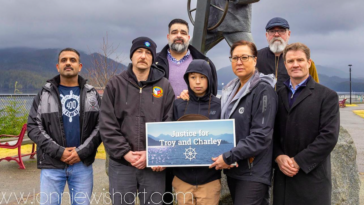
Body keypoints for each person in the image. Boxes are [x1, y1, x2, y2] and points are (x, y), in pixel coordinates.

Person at [99, 37, 175, 205]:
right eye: (139, 51)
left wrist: (152, 155)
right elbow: (107, 124)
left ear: (153, 58)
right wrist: (126, 153)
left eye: (148, 53)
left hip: (153, 166)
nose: (143, 56)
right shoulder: (115, 85)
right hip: (122, 165)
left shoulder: (164, 86)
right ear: (131, 56)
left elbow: (169, 123)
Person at [27, 48, 101, 205]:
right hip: (52, 165)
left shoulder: (91, 94)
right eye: (64, 60)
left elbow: (101, 127)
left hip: (82, 165)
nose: (68, 63)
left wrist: (80, 152)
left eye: (72, 60)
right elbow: (33, 127)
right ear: (57, 66)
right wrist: (59, 152)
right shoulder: (44, 94)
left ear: (80, 66)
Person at [210, 40, 277, 205]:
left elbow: (261, 136)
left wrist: (228, 156)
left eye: (244, 57)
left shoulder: (263, 90)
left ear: (255, 60)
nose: (239, 62)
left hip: (253, 171)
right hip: (235, 169)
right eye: (234, 58)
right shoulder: (230, 90)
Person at [273, 43, 339, 205]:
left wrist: (298, 161)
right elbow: (270, 132)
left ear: (309, 63)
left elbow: (328, 137)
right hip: (283, 181)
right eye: (290, 61)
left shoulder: (327, 96)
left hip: (312, 178)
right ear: (285, 65)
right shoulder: (277, 95)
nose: (295, 64)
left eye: (300, 60)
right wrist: (278, 156)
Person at [172, 59, 222, 205]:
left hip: (209, 180)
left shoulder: (219, 105)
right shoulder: (179, 104)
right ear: (187, 79)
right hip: (182, 179)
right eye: (193, 77)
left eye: (202, 77)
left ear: (209, 79)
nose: (197, 82)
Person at [155, 18, 218, 97]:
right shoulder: (154, 62)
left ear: (188, 37)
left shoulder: (205, 63)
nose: (179, 35)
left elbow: (211, 94)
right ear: (168, 37)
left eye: (183, 33)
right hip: (163, 109)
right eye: (174, 32)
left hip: (193, 109)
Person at [257, 17, 319, 90]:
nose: (276, 34)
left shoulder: (304, 61)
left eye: (281, 31)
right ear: (266, 35)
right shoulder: (255, 58)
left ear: (288, 34)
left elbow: (315, 89)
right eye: (272, 31)